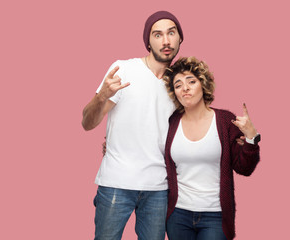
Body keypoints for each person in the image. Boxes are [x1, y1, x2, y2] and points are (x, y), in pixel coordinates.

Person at [81, 11, 184, 240]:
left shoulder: (181, 85)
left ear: (180, 39)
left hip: (158, 189)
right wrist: (100, 97)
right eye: (157, 35)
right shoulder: (123, 69)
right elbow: (87, 123)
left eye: (171, 33)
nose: (165, 41)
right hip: (117, 182)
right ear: (148, 41)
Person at [162, 57, 261, 240]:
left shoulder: (225, 121)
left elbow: (244, 168)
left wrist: (251, 138)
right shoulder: (171, 122)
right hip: (178, 214)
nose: (185, 88)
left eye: (191, 81)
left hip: (215, 216)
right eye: (178, 85)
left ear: (203, 84)